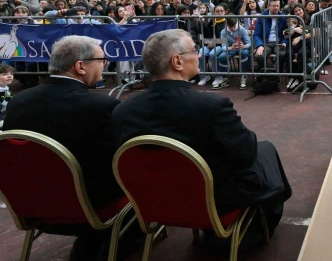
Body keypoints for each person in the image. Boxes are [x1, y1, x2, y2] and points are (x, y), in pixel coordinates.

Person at [111, 29, 291, 249]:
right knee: (264, 149)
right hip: (214, 199)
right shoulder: (211, 107)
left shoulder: (123, 111)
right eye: (194, 50)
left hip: (154, 198)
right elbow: (245, 153)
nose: (198, 55)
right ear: (177, 61)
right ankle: (265, 216)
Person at [3, 36, 124, 259]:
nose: (105, 65)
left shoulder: (18, 101)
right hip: (88, 206)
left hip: (29, 201)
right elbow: (116, 162)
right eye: (102, 60)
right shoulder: (102, 106)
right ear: (80, 66)